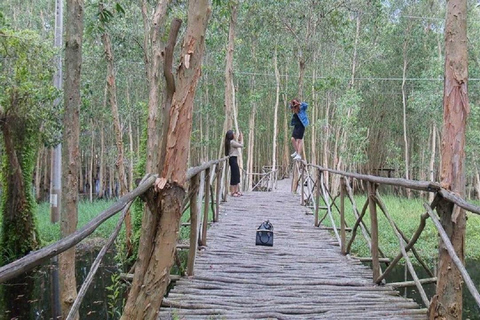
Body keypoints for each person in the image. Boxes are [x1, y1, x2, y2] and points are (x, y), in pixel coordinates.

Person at [225, 130, 243, 197]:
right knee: (234, 175)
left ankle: (236, 191)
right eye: (234, 134)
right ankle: (233, 192)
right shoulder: (232, 142)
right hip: (233, 159)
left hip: (233, 159)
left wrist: (238, 140)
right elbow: (241, 145)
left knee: (236, 174)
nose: (235, 135)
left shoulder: (231, 142)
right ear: (231, 135)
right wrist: (240, 139)